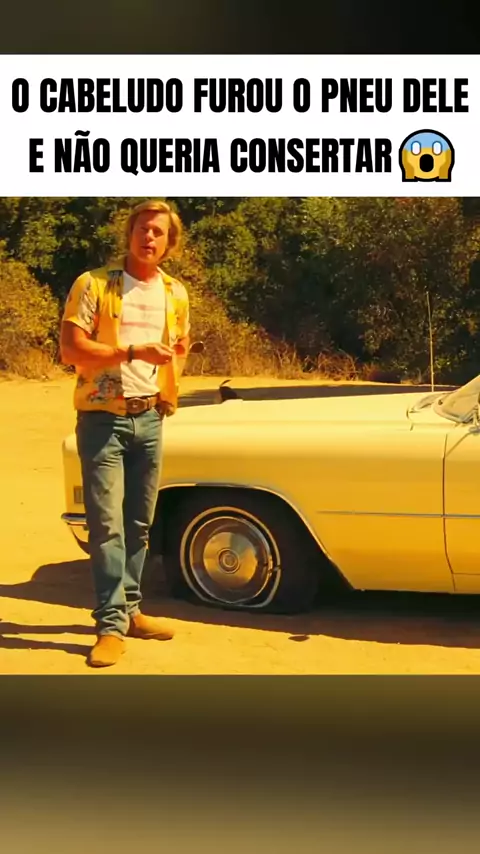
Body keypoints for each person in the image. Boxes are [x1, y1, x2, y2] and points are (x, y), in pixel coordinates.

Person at [60, 199, 190, 667]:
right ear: (129, 234)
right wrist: (132, 352)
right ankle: (110, 625)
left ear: (170, 243)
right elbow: (71, 349)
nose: (148, 237)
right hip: (103, 418)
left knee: (139, 523)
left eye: (158, 231)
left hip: (150, 418)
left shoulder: (176, 292)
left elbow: (179, 346)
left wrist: (168, 391)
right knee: (107, 526)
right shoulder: (94, 284)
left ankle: (131, 610)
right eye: (142, 228)